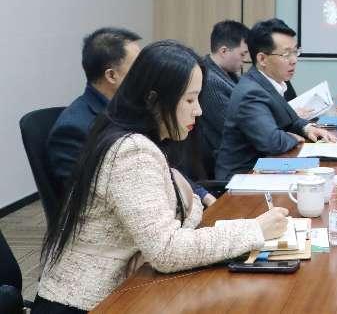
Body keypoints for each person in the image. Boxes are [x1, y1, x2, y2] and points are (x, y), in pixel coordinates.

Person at [33, 41, 289, 314]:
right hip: (87, 304)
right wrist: (255, 230)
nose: (199, 110)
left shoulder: (142, 139)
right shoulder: (131, 151)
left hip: (126, 290)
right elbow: (166, 251)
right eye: (189, 100)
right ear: (154, 100)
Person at [214, 19, 337, 180]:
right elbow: (272, 141)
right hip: (242, 178)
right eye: (286, 54)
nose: (294, 60)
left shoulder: (270, 82)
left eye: (295, 51)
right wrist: (292, 137)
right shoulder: (251, 92)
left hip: (266, 167)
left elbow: (289, 118)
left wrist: (306, 128)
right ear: (262, 59)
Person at [47, 27, 141, 193]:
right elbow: (86, 195)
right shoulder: (72, 129)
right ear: (111, 76)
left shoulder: (131, 108)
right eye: (138, 67)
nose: (145, 73)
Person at [198, 20, 250, 165]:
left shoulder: (229, 74)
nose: (245, 59)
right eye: (242, 54)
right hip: (226, 161)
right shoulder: (210, 81)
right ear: (224, 51)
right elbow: (236, 129)